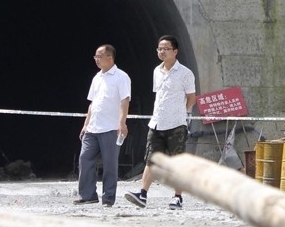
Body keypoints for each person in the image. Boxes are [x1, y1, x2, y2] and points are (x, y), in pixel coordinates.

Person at [125, 35, 196, 210]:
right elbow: (159, 96)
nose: (161, 51)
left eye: (165, 48)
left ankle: (178, 197)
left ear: (175, 51)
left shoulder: (185, 73)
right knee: (151, 159)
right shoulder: (157, 71)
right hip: (156, 122)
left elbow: (192, 98)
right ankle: (142, 194)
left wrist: (181, 113)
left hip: (176, 124)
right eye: (159, 49)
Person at [75, 44, 131, 207]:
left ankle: (108, 198)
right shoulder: (97, 77)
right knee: (85, 159)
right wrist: (85, 124)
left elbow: (124, 100)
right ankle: (87, 195)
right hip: (93, 127)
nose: (96, 60)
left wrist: (122, 123)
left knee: (109, 164)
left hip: (111, 128)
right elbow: (93, 103)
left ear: (110, 57)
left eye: (99, 56)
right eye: (95, 57)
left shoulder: (121, 77)